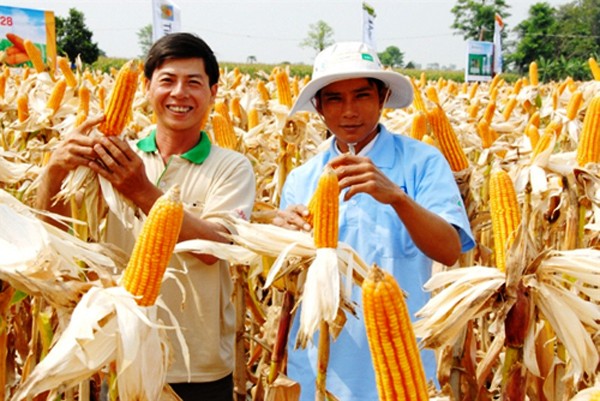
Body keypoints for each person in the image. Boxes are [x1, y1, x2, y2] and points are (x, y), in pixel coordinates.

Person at [35, 32, 256, 401]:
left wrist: (140, 189)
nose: (179, 93)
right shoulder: (115, 156)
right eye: (167, 81)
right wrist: (55, 171)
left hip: (197, 369)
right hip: (121, 352)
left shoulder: (231, 167)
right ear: (147, 87)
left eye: (194, 83)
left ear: (214, 92)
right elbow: (58, 236)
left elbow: (216, 249)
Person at [273, 41, 475, 401]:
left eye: (362, 96)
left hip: (400, 364)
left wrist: (396, 197)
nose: (349, 111)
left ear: (382, 97)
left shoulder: (422, 162)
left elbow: (448, 251)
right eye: (334, 99)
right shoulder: (302, 179)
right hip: (318, 367)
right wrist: (280, 238)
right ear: (318, 107)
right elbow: (283, 285)